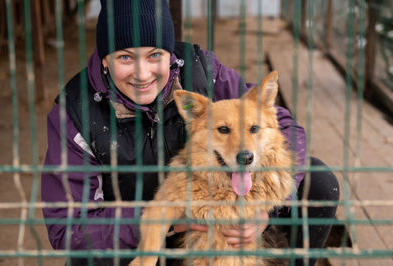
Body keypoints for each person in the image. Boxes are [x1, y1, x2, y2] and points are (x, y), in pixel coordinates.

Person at [41, 0, 339, 265]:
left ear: (170, 53)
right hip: (134, 239)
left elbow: (283, 126)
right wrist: (168, 218)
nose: (143, 74)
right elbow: (67, 229)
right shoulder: (76, 112)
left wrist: (265, 212)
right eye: (125, 58)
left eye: (155, 54)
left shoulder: (200, 70)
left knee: (319, 181)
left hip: (215, 219)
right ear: (105, 58)